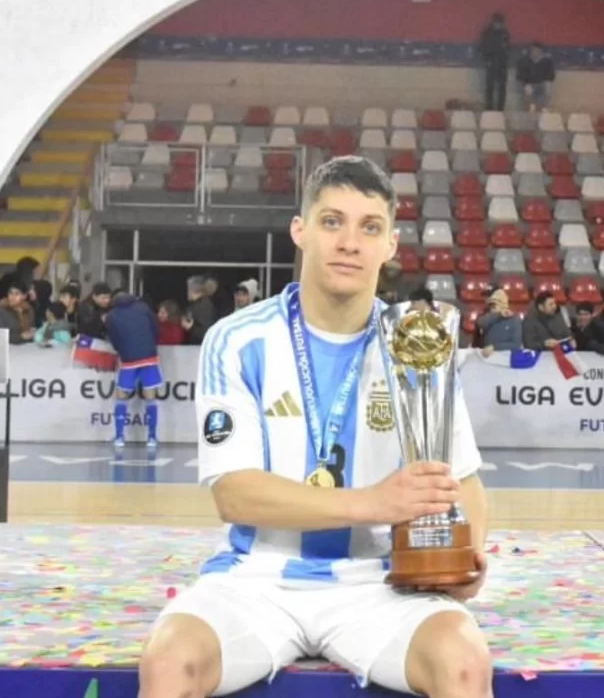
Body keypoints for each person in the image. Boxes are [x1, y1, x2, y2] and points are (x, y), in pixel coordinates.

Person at [138, 156, 491, 698]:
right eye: (332, 221)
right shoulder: (237, 340)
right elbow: (235, 495)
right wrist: (375, 503)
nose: (350, 242)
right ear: (300, 231)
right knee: (169, 659)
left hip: (382, 582)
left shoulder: (416, 341)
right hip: (258, 578)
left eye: (369, 227)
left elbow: (462, 479)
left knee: (463, 660)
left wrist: (463, 558)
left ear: (390, 245)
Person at [105, 292, 163, 448]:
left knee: (121, 395)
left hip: (129, 360)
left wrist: (123, 351)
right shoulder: (143, 308)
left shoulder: (111, 316)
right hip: (149, 357)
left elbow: (114, 340)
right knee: (150, 395)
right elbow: (156, 328)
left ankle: (119, 437)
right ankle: (152, 437)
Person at [474, 288, 521, 357]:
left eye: (494, 305)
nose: (491, 308)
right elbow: (480, 323)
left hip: (506, 358)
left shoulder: (514, 319)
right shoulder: (489, 317)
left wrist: (494, 347)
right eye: (491, 306)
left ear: (503, 305)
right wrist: (498, 315)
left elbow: (516, 344)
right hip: (487, 357)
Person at [478, 12, 510, 111]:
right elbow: (482, 48)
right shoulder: (486, 33)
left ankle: (500, 109)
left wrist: (505, 51)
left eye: (500, 24)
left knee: (502, 88)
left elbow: (508, 47)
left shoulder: (505, 33)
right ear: (493, 22)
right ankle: (489, 109)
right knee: (490, 88)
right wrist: (487, 61)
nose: (498, 25)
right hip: (491, 62)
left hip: (502, 63)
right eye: (497, 23)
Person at [515, 42, 556, 112]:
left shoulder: (547, 62)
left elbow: (551, 75)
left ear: (541, 51)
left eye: (537, 50)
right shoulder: (525, 61)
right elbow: (520, 75)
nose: (535, 52)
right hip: (529, 84)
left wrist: (547, 82)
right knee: (527, 92)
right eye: (533, 50)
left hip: (542, 84)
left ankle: (544, 109)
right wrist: (526, 84)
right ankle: (531, 108)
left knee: (546, 90)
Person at [182, 276, 216, 345]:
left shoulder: (204, 306)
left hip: (200, 347)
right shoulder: (195, 305)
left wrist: (191, 327)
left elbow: (205, 332)